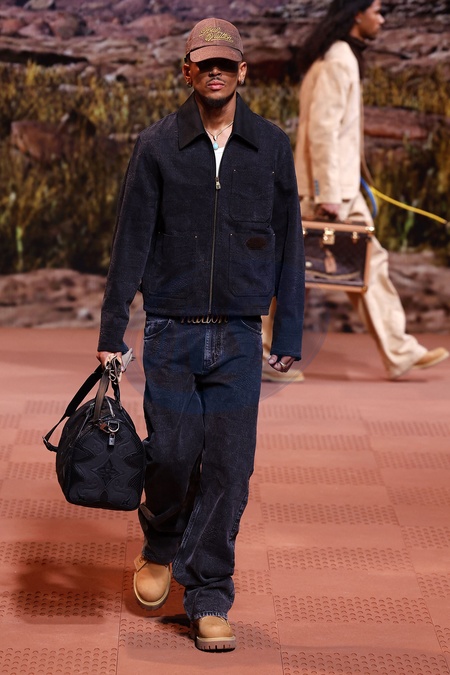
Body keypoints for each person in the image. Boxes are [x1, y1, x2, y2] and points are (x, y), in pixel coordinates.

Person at [96, 18, 305, 652]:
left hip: (240, 335)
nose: (215, 72)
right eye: (203, 63)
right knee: (171, 454)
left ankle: (210, 593)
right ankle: (162, 540)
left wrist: (288, 326)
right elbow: (131, 239)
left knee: (230, 469)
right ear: (187, 71)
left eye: (225, 63)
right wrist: (112, 329)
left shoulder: (270, 146)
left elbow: (290, 240)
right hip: (171, 331)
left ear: (242, 71)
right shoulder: (158, 145)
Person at [264, 0, 449, 380]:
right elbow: (323, 130)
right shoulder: (338, 59)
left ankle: (398, 351)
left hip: (342, 190)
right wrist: (327, 193)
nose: (382, 18)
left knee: (366, 264)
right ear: (356, 13)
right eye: (377, 10)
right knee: (293, 275)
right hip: (331, 194)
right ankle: (266, 355)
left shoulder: (338, 56)